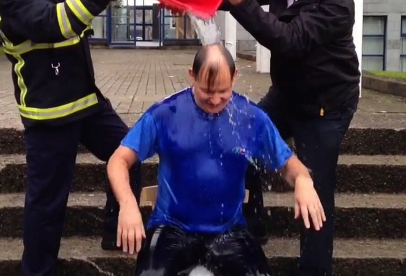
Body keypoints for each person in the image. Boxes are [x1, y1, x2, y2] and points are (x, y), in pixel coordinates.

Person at [0, 0, 143, 275]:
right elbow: (58, 22)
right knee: (47, 204)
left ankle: (116, 232)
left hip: (86, 102)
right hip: (48, 113)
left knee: (129, 157)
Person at [218, 0, 363, 276]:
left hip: (325, 106)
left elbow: (289, 40)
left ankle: (314, 269)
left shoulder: (339, 6)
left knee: (313, 187)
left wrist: (243, 2)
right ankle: (253, 227)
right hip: (287, 93)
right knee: (241, 147)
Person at [107, 44, 326, 276]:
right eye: (206, 91)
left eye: (223, 91)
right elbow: (118, 161)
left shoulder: (250, 117)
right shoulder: (164, 114)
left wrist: (303, 180)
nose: (214, 100)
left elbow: (290, 165)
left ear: (234, 77)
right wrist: (128, 204)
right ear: (192, 75)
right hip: (172, 227)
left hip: (229, 230)